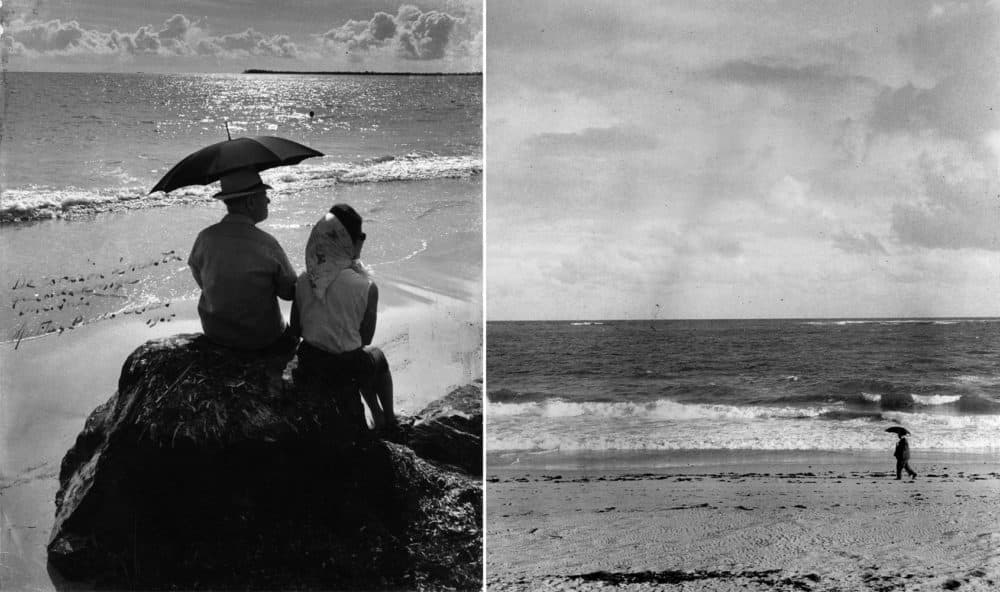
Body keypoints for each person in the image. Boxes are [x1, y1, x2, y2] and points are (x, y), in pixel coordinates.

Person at [292, 204, 395, 431]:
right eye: (361, 236)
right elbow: (365, 338)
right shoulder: (366, 286)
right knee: (375, 357)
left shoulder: (303, 279)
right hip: (345, 368)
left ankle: (377, 414)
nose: (363, 240)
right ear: (348, 241)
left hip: (311, 364)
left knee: (358, 356)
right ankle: (387, 417)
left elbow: (296, 329)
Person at [188, 168, 298, 354]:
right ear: (250, 202)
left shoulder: (205, 238)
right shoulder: (267, 244)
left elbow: (199, 277)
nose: (268, 200)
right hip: (261, 338)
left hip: (215, 332)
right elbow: (289, 292)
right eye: (264, 194)